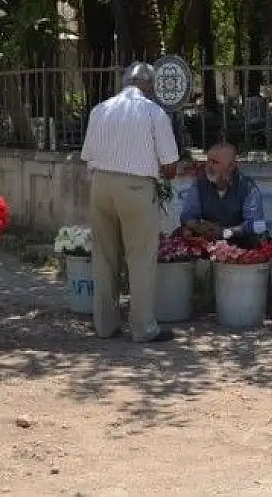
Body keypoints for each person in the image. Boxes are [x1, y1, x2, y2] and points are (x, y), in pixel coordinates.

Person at [80, 62, 180, 343]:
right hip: (136, 187)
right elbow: (170, 166)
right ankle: (142, 328)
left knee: (104, 255)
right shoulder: (153, 112)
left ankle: (104, 325)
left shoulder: (100, 109)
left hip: (100, 185)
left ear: (125, 82)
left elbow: (87, 156)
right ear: (148, 85)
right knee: (140, 257)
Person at [178, 141, 267, 247]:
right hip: (207, 238)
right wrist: (198, 227)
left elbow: (258, 224)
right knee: (182, 233)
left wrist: (226, 232)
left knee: (258, 238)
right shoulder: (199, 183)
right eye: (208, 161)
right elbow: (187, 215)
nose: (209, 166)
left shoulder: (247, 187)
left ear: (231, 166)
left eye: (215, 162)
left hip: (237, 239)